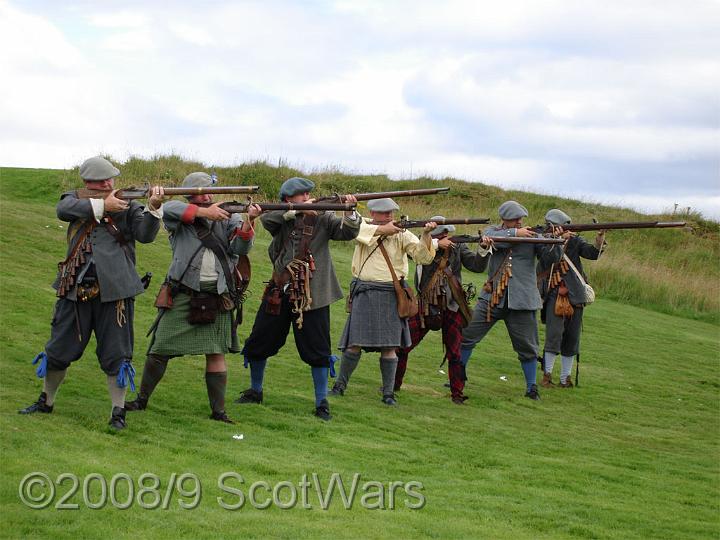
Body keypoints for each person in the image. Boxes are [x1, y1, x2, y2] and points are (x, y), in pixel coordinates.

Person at [18, 156, 164, 429]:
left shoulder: (129, 206)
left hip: (116, 291)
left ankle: (118, 412)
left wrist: (154, 208)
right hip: (74, 288)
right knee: (59, 349)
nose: (109, 183)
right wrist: (101, 205)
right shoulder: (75, 200)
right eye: (102, 181)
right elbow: (64, 209)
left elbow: (145, 235)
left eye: (111, 179)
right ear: (88, 182)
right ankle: (46, 401)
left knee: (117, 354)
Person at [124, 172, 260, 424]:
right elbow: (169, 208)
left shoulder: (232, 215)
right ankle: (141, 400)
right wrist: (204, 213)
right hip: (183, 291)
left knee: (216, 353)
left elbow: (239, 250)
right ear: (190, 194)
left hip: (218, 295)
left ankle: (218, 411)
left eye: (210, 192)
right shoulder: (180, 212)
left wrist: (248, 222)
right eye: (201, 192)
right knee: (159, 349)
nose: (208, 196)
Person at [236, 177, 360, 421]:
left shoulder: (323, 217)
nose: (306, 198)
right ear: (287, 199)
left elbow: (346, 232)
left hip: (313, 295)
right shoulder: (281, 216)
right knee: (260, 342)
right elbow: (268, 219)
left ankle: (321, 402)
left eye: (307, 194)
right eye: (300, 195)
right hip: (279, 290)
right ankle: (255, 390)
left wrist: (352, 212)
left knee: (318, 351)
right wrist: (294, 212)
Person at [333, 198, 437, 406]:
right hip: (365, 292)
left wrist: (426, 234)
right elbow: (357, 233)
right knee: (354, 344)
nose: (389, 215)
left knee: (390, 347)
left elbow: (423, 258)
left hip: (392, 294)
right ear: (373, 213)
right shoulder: (362, 226)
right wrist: (385, 230)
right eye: (384, 213)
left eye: (391, 212)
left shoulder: (402, 234)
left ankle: (388, 393)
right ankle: (339, 386)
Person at [459, 201, 563, 400]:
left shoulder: (533, 235)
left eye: (520, 219)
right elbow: (491, 238)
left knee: (528, 346)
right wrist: (516, 234)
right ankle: (458, 376)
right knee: (467, 334)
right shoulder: (494, 231)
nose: (519, 222)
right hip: (493, 296)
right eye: (515, 220)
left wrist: (555, 241)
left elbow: (551, 259)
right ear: (504, 220)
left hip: (523, 299)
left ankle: (531, 387)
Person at [393, 217, 492, 404]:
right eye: (442, 234)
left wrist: (484, 248)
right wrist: (436, 244)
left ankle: (457, 394)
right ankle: (393, 385)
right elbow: (417, 254)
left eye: (447, 233)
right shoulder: (422, 246)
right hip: (425, 306)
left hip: (452, 306)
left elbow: (477, 267)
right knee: (402, 346)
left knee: (455, 353)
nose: (447, 236)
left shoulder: (458, 248)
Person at [537, 209, 605, 388]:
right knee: (554, 336)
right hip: (553, 292)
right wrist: (558, 240)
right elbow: (546, 259)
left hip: (575, 294)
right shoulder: (542, 240)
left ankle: (564, 378)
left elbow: (593, 254)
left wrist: (600, 238)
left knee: (572, 338)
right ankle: (547, 376)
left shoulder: (574, 241)